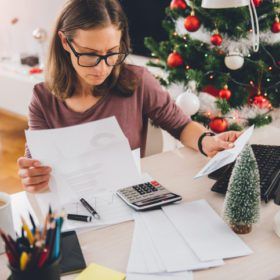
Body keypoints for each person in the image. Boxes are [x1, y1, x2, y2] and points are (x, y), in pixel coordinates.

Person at [17, 0, 241, 193]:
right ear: (65, 42)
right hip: (74, 206)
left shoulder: (138, 81)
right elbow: (37, 167)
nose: (102, 68)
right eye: (90, 54)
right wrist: (33, 177)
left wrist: (208, 142)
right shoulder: (42, 99)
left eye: (112, 52)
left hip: (129, 198)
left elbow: (181, 125)